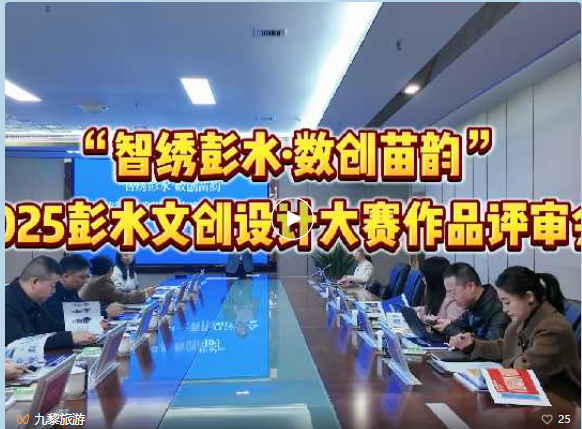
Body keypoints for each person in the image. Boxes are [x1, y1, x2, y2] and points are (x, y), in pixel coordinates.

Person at [450, 266, 581, 404]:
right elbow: (505, 347)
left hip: (562, 405)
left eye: (507, 302)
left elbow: (526, 367)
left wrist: (500, 367)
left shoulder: (554, 327)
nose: (504, 309)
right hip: (532, 397)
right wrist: (472, 345)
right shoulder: (522, 319)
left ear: (529, 297)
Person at [5, 256, 96, 350]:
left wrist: (86, 327)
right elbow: (17, 344)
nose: (54, 291)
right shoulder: (6, 302)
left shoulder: (35, 300)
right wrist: (70, 338)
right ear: (35, 282)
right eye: (52, 286)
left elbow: (51, 326)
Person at [44, 255, 124, 329]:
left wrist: (97, 320)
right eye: (82, 277)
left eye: (87, 276)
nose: (86, 281)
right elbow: (62, 324)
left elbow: (82, 312)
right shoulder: (50, 295)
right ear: (65, 276)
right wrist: (105, 313)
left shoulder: (72, 290)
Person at [433, 262, 509, 340]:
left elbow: (491, 345)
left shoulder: (499, 309)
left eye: (452, 292)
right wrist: (443, 325)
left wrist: (449, 329)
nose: (451, 298)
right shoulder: (474, 304)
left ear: (470, 286)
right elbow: (456, 325)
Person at [80, 256, 156, 305]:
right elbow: (122, 298)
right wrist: (145, 293)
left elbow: (116, 294)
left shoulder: (92, 280)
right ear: (111, 269)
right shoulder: (101, 281)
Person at [414, 257, 464, 325]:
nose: (422, 279)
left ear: (434, 278)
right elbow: (432, 309)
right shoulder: (437, 295)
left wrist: (423, 318)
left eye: (425, 276)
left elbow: (452, 327)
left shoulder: (453, 302)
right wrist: (415, 310)